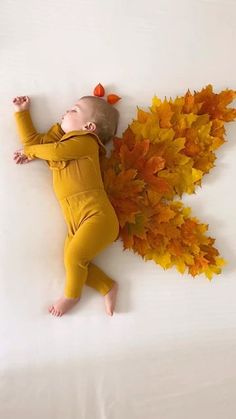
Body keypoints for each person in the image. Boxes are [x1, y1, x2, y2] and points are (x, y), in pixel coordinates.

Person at [12, 95, 120, 317]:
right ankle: (106, 286)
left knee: (73, 258)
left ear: (89, 126)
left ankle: (72, 295)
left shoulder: (86, 141)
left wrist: (31, 153)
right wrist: (22, 113)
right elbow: (34, 144)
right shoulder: (60, 141)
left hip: (97, 217)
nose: (65, 111)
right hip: (78, 221)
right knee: (73, 261)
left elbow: (55, 152)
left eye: (74, 110)